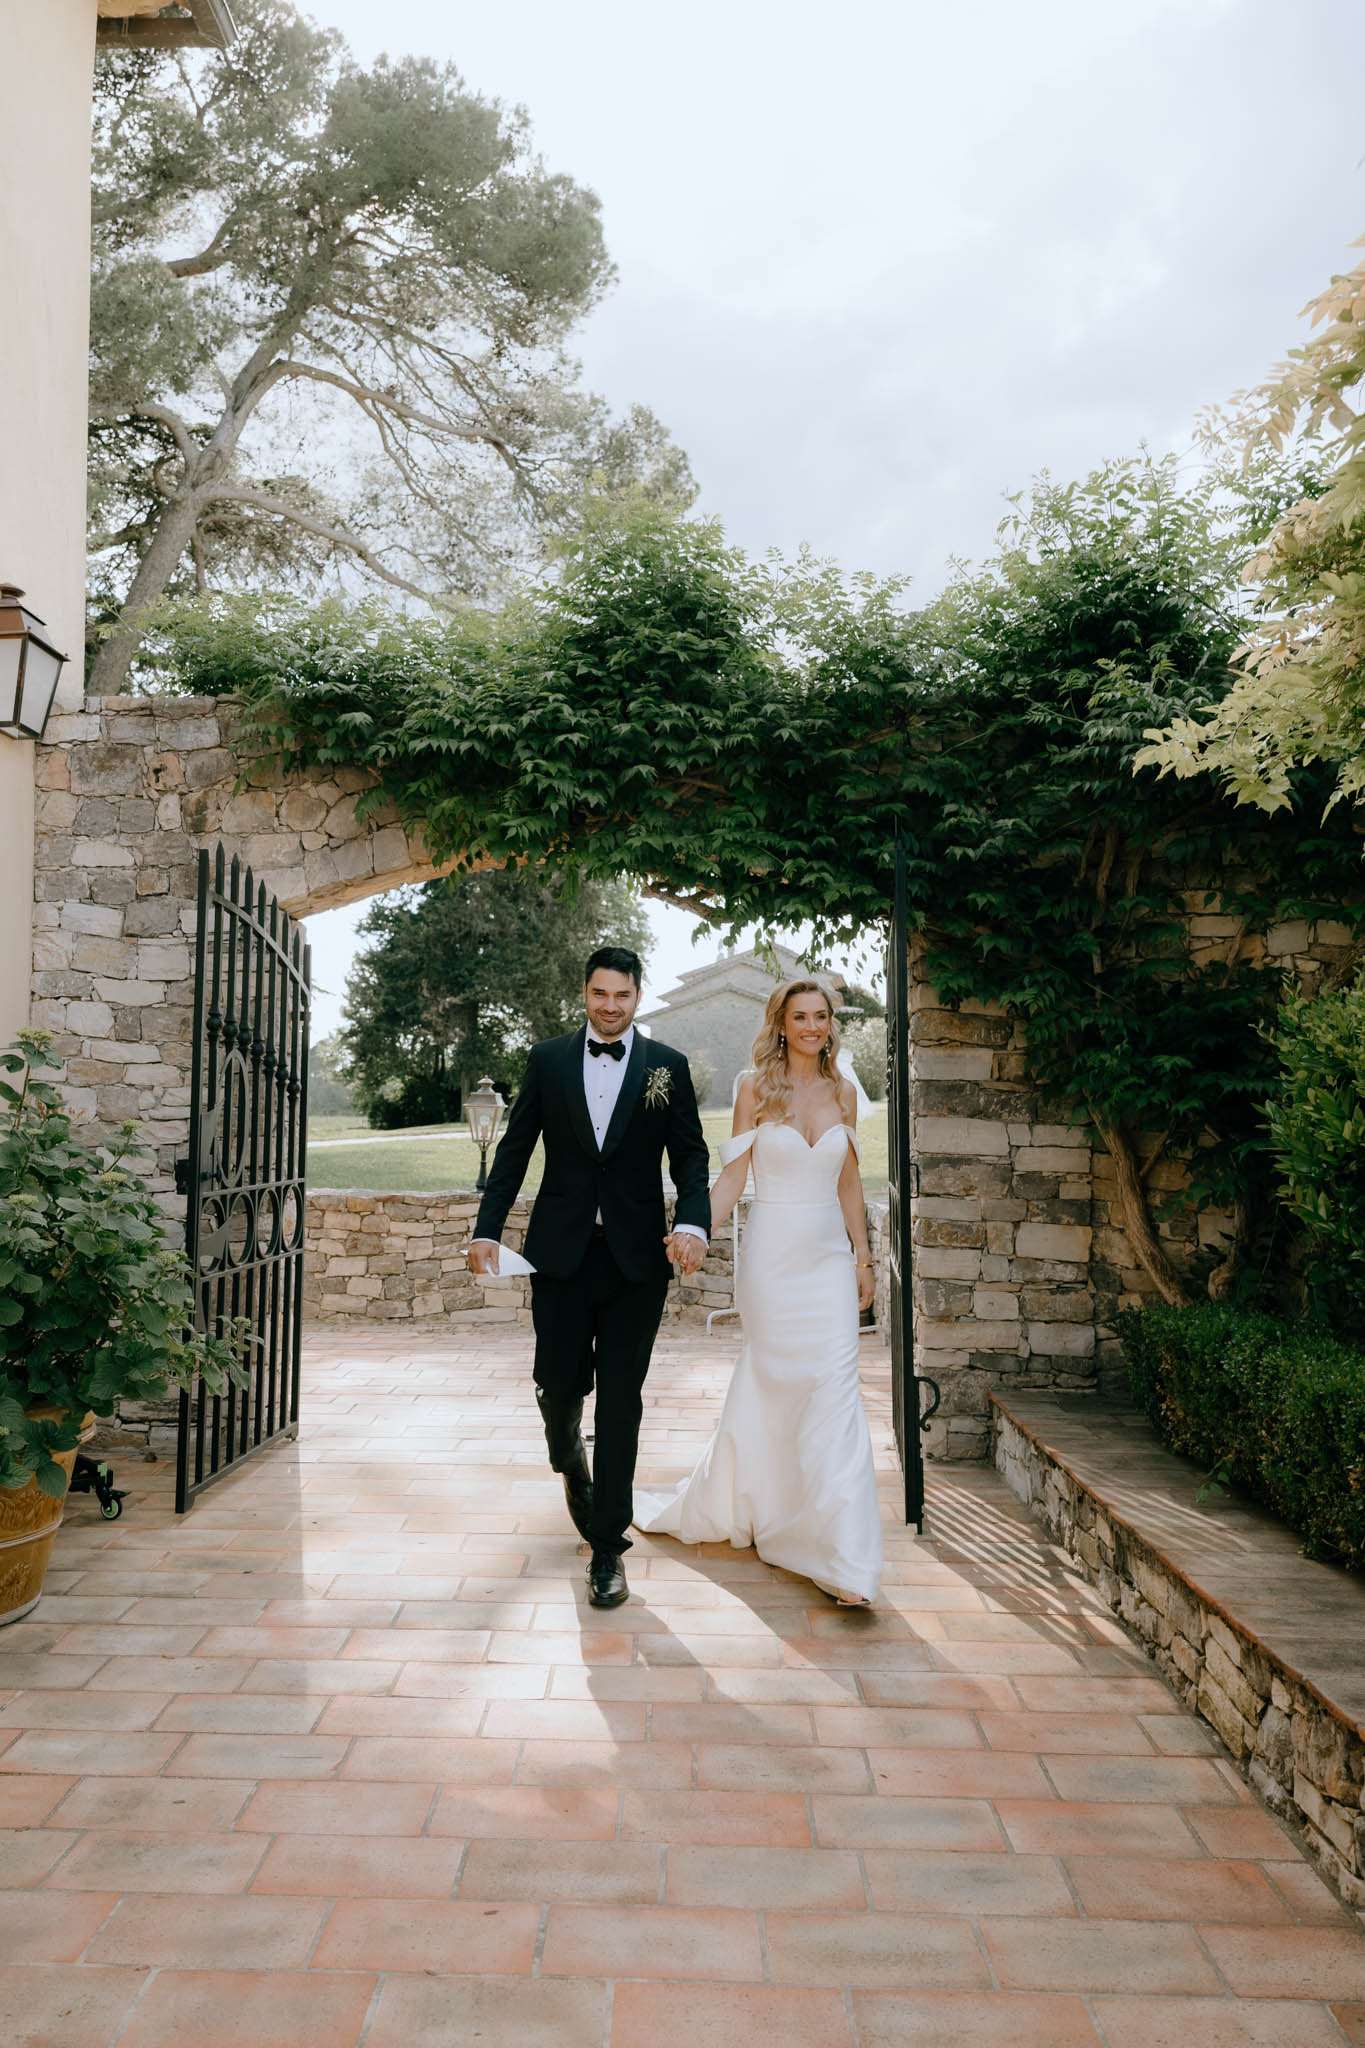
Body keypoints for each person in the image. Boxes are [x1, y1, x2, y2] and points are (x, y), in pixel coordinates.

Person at [467, 946, 711, 1608]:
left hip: (637, 1262)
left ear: (637, 996)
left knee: (622, 1401)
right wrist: (487, 1230)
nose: (610, 1006)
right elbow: (514, 1151)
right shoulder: (547, 1060)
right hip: (561, 1255)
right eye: (600, 994)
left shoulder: (667, 1067)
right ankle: (568, 1454)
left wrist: (692, 1223)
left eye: (622, 995)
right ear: (585, 993)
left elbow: (690, 1158)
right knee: (557, 1383)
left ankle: (608, 1550)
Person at [634, 977, 883, 1606]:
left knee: (835, 1393)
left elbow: (849, 1182)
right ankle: (767, 1505)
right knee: (776, 1387)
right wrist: (695, 1229)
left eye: (821, 1016)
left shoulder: (845, 1092)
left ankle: (841, 1557)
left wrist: (863, 1256)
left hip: (828, 1259)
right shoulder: (753, 1088)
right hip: (772, 1261)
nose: (812, 1026)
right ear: (781, 1024)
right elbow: (732, 1177)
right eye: (800, 1016)